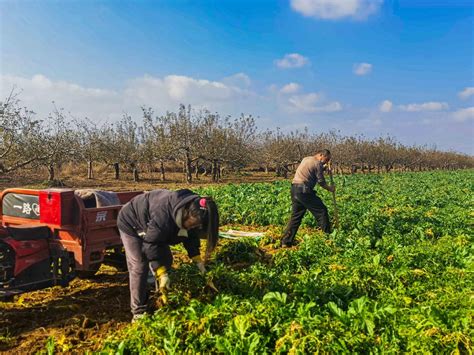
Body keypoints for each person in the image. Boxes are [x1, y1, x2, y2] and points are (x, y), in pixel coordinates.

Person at [117, 189, 219, 321]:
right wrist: (161, 273)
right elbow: (152, 243)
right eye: (192, 224)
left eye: (196, 226)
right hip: (132, 222)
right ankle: (138, 311)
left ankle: (160, 295)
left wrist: (199, 263)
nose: (192, 227)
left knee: (166, 260)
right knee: (139, 266)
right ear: (186, 213)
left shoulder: (193, 210)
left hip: (153, 226)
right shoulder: (164, 215)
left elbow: (191, 238)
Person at [280, 149, 335, 247]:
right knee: (322, 211)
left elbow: (311, 169)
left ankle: (286, 241)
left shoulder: (306, 159)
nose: (327, 162)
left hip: (295, 188)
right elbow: (321, 181)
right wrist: (330, 188)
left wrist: (324, 168)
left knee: (296, 217)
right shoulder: (317, 163)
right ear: (321, 155)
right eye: (327, 159)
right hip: (304, 190)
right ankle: (327, 238)